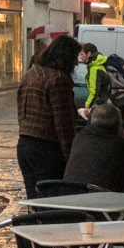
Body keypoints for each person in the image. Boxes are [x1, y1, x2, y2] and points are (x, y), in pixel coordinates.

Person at [17, 35, 81, 198]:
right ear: (66, 56)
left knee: (34, 200)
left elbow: (20, 111)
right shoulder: (58, 80)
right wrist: (71, 161)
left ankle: (33, 223)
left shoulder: (31, 74)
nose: (76, 63)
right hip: (47, 148)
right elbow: (63, 125)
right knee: (52, 200)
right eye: (74, 57)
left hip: (25, 145)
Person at [62, 103, 124, 193]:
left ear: (92, 121)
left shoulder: (79, 138)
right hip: (109, 208)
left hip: (73, 204)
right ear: (119, 125)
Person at [78, 43, 110, 111]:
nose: (80, 57)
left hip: (100, 105)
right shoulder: (99, 64)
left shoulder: (95, 68)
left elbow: (94, 91)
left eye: (82, 54)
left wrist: (87, 106)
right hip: (105, 103)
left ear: (89, 54)